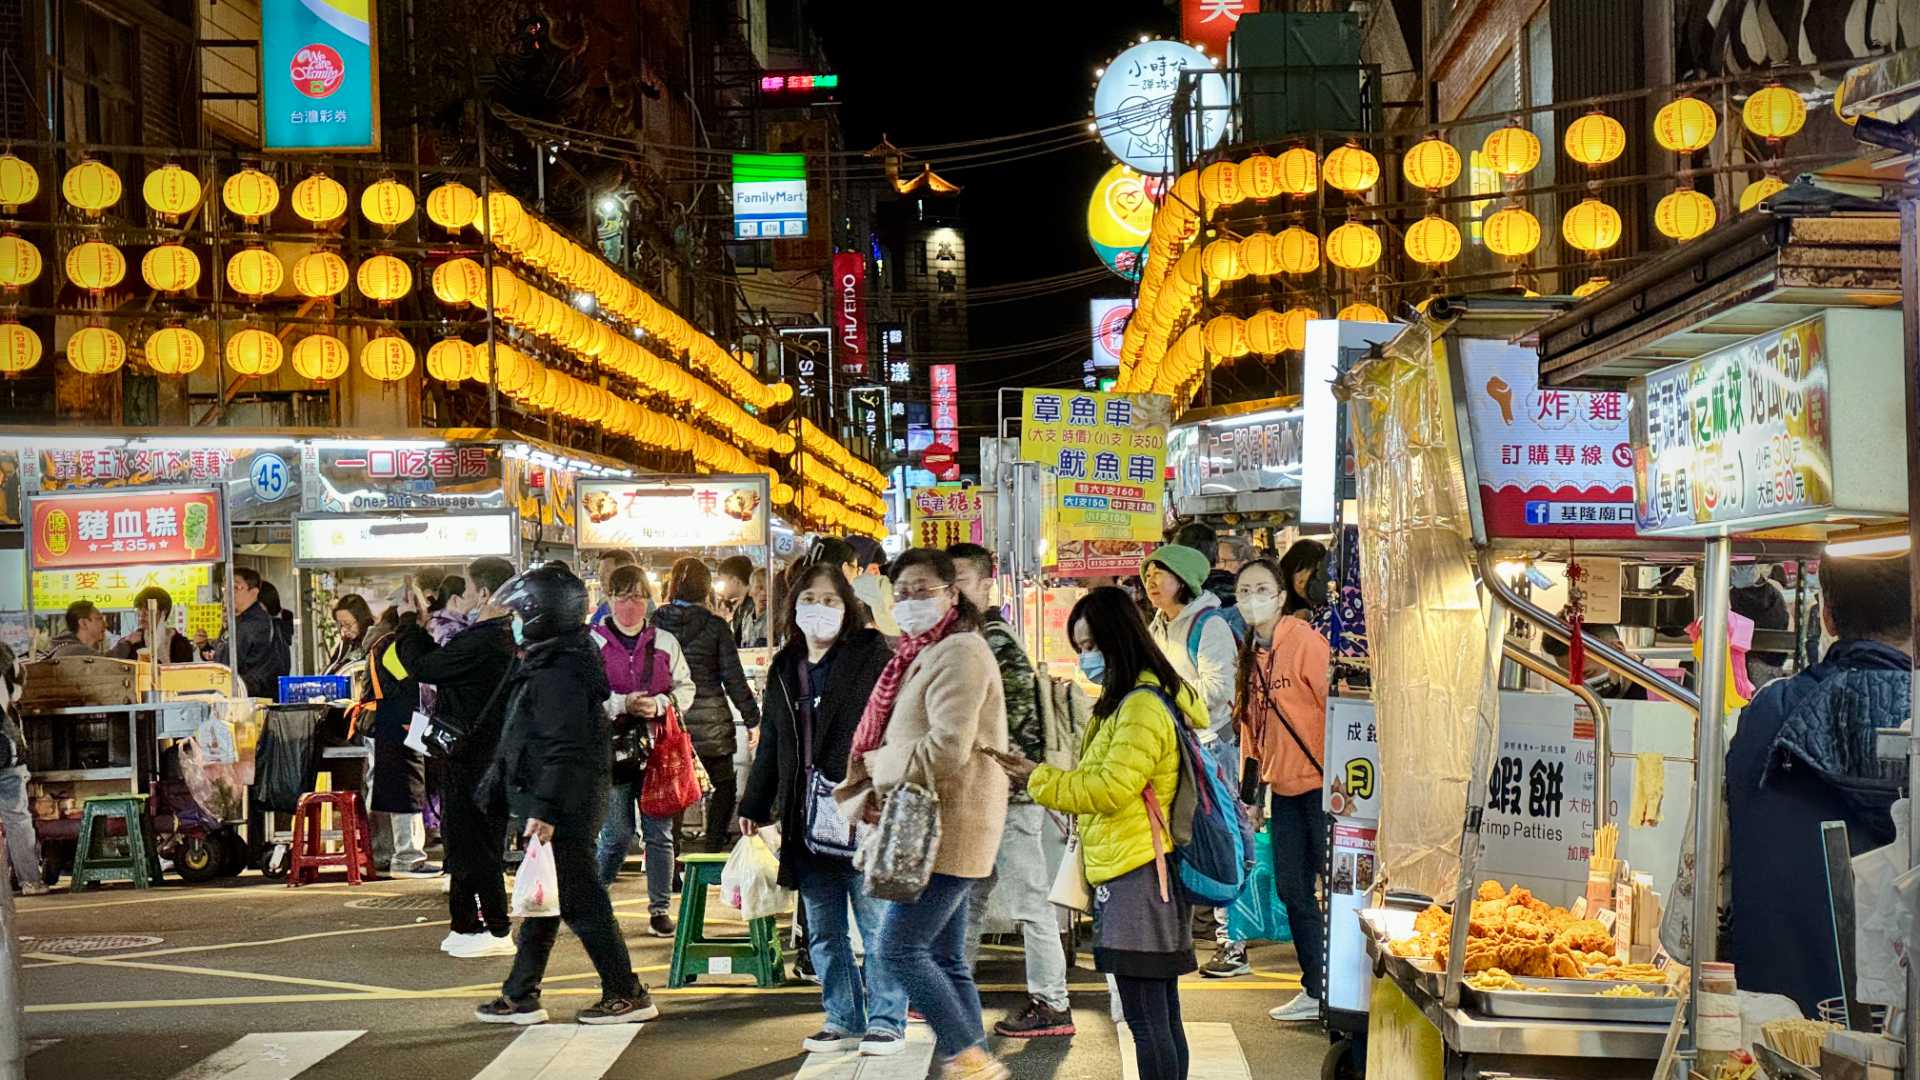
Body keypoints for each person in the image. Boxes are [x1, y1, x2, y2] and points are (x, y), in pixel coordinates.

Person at [1000, 586, 1202, 1080]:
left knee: (1148, 1016)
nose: (1087, 658)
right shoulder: (1135, 700)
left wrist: (1036, 777)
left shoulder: (1140, 707)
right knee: (1159, 1013)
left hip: (1140, 874)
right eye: (1081, 648)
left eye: (1093, 646)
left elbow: (1111, 787)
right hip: (1140, 866)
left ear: (1120, 639)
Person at [835, 548, 1011, 1080]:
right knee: (947, 957)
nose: (910, 600)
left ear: (951, 594)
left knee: (899, 950)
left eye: (923, 589)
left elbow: (947, 747)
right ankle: (970, 1059)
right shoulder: (923, 650)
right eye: (902, 590)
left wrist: (878, 763)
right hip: (939, 823)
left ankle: (970, 1055)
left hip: (946, 826)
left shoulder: (959, 651)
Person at [1725, 554, 1911, 1015]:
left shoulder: (1765, 718)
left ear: (1825, 614)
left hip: (1772, 1043)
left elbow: (1708, 889)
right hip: (1904, 1042)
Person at [474, 564, 658, 1026]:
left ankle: (625, 990)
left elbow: (563, 746)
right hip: (559, 799)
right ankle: (520, 993)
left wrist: (546, 810)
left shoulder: (559, 670)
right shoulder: (554, 658)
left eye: (520, 613)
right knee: (547, 898)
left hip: (564, 804)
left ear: (544, 616)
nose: (513, 621)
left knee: (580, 899)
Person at [738, 561, 905, 1056]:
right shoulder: (786, 666)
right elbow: (770, 738)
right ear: (794, 607)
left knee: (875, 924)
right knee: (824, 931)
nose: (820, 610)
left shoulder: (872, 656)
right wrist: (755, 801)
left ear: (849, 606)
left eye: (831, 600)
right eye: (810, 599)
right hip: (804, 815)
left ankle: (887, 1020)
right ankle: (841, 1017)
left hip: (860, 807)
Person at [949, 542, 1074, 1038]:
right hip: (988, 794)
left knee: (1030, 902)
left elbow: (1020, 724)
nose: (952, 591)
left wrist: (1002, 781)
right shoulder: (970, 637)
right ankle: (952, 989)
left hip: (1009, 797)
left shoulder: (995, 641)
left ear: (984, 584)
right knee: (971, 896)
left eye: (961, 581)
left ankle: (1052, 1002)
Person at [398, 557, 519, 958]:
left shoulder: (486, 639)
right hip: (480, 755)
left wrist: (407, 625)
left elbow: (425, 667)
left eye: (465, 589)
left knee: (477, 845)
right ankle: (465, 924)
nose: (460, 597)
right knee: (464, 842)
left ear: (484, 593)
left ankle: (496, 927)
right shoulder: (500, 637)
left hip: (475, 759)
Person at [1232, 554, 1332, 1022]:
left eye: (1261, 590)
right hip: (1283, 791)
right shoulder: (1250, 652)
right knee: (1293, 889)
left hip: (1323, 789)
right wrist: (1250, 797)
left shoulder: (1306, 643)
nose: (1253, 599)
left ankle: (1335, 988)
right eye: (1244, 592)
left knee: (1335, 889)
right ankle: (1316, 988)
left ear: (1281, 596)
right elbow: (1251, 729)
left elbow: (1336, 709)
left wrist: (1344, 780)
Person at [1140, 544, 1247, 977]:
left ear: (1183, 579)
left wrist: (1164, 697)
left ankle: (1233, 945)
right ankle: (1178, 934)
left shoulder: (1209, 624)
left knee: (1221, 841)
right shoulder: (1159, 625)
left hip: (1210, 748)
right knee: (1179, 843)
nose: (1151, 583)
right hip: (1176, 747)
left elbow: (1217, 690)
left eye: (1159, 574)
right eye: (1147, 575)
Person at [590, 564, 694, 935]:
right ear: (609, 599)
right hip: (610, 751)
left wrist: (662, 703)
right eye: (622, 596)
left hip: (658, 751)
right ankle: (594, 902)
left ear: (648, 599)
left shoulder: (664, 641)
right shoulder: (594, 642)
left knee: (659, 833)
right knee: (616, 833)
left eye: (637, 596)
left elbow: (686, 688)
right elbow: (584, 695)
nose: (630, 604)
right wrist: (620, 703)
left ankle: (659, 909)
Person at [649, 557, 760, 853]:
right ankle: (712, 848)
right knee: (723, 786)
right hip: (712, 724)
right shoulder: (716, 626)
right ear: (706, 588)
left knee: (672, 789)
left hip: (672, 721)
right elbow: (734, 679)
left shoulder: (656, 624)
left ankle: (670, 858)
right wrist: (753, 720)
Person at [361, 597, 437, 878]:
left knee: (391, 790)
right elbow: (411, 681)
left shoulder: (380, 643)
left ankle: (387, 855)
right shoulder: (393, 646)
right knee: (405, 789)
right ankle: (408, 857)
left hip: (388, 721)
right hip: (400, 721)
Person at [229, 568, 287, 698]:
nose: (228, 593)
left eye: (236, 588)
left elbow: (226, 664)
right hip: (257, 695)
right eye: (225, 588)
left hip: (251, 697)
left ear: (254, 593)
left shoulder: (252, 624)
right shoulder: (244, 622)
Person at [109, 587, 197, 663]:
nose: (142, 614)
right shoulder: (132, 641)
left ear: (163, 611)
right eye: (139, 609)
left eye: (147, 609)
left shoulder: (181, 644)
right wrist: (126, 643)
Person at [714, 555, 765, 648]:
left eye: (723, 582)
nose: (721, 588)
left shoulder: (755, 606)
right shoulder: (740, 609)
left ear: (735, 580)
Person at [327, 595, 377, 675]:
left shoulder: (375, 642)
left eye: (348, 624)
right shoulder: (346, 644)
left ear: (361, 620)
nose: (343, 630)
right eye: (340, 625)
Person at [590, 549, 638, 626]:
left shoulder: (641, 606)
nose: (601, 577)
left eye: (607, 572)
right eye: (600, 572)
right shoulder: (605, 604)